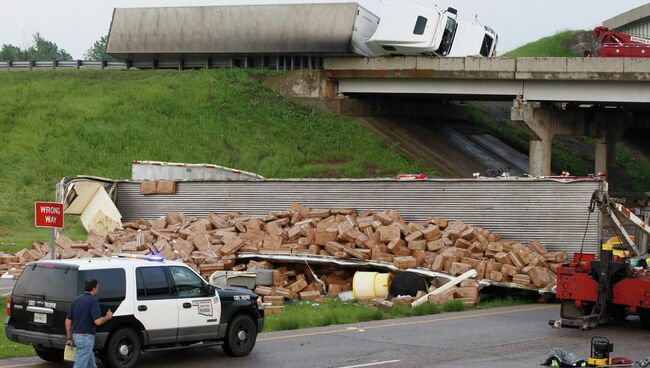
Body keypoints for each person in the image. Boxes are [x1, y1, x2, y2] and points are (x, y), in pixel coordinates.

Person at [65, 279, 113, 368]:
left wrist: (69, 338)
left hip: (76, 336)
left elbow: (68, 321)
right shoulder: (93, 301)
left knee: (91, 365)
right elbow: (97, 321)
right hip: (85, 338)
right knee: (80, 365)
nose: (98, 290)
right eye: (97, 287)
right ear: (94, 289)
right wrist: (107, 317)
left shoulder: (76, 300)